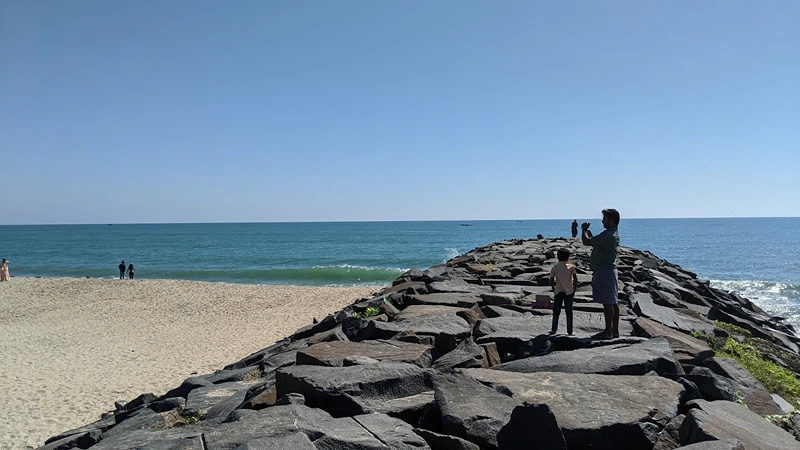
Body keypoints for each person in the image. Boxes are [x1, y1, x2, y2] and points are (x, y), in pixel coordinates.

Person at [581, 208, 621, 339]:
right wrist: (589, 235)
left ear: (611, 220)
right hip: (609, 270)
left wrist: (583, 230)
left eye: (604, 219)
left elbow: (586, 242)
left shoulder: (608, 234)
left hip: (605, 271)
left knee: (608, 303)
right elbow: (596, 243)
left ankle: (608, 332)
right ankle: (614, 330)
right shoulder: (612, 234)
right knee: (613, 302)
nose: (603, 221)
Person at [549, 248, 578, 335]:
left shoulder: (555, 267)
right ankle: (570, 331)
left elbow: (551, 279)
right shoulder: (571, 267)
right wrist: (574, 290)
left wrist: (553, 288)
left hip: (558, 291)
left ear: (558, 257)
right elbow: (576, 280)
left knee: (556, 311)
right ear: (568, 257)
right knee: (569, 312)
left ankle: (554, 329)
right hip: (569, 291)